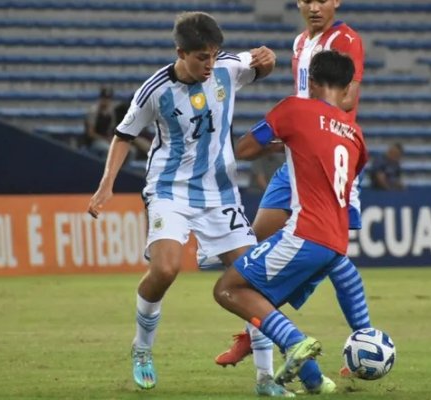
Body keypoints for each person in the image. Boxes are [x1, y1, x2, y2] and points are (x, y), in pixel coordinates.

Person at [86, 12, 290, 396]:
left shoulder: (228, 67)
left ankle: (265, 378)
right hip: (170, 190)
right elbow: (123, 135)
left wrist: (268, 60)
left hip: (220, 191)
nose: (209, 64)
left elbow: (260, 63)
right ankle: (142, 349)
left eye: (213, 55)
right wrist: (105, 186)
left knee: (251, 277)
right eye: (201, 57)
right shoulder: (155, 91)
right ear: (181, 53)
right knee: (165, 269)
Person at [215, 0, 371, 392]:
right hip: (302, 151)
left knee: (323, 253)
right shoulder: (300, 42)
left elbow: (347, 98)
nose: (315, 6)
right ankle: (260, 332)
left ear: (336, 1)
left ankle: (364, 340)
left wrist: (306, 122)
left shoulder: (346, 39)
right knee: (259, 240)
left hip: (323, 147)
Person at [84, 86, 117, 158]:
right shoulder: (94, 111)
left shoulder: (111, 113)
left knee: (129, 151)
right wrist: (105, 139)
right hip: (94, 142)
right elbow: (90, 134)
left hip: (105, 140)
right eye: (104, 98)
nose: (106, 101)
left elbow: (111, 130)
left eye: (108, 98)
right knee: (109, 150)